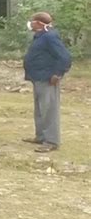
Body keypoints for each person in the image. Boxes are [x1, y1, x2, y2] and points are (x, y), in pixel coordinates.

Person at [22, 12, 71, 153]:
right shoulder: (40, 36)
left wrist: (58, 73)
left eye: (32, 21)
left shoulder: (50, 37)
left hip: (48, 78)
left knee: (49, 110)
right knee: (39, 109)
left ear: (38, 23)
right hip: (37, 77)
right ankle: (41, 136)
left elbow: (64, 57)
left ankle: (51, 141)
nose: (30, 23)